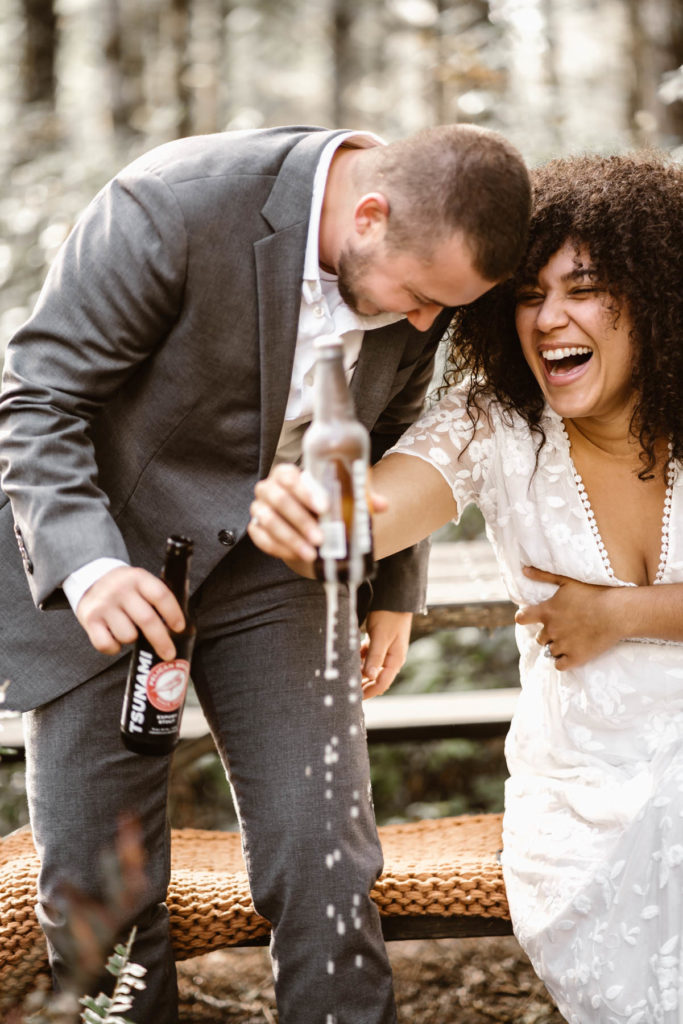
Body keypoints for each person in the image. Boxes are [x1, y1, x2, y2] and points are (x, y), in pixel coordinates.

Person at [0, 123, 531, 1022]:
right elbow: (37, 399)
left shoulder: (424, 272)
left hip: (282, 569)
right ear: (368, 215)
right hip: (114, 558)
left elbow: (391, 430)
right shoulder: (170, 204)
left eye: (443, 308)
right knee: (97, 886)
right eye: (416, 297)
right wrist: (89, 566)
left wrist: (393, 584)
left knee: (325, 855)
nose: (424, 324)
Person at [250, 151, 683, 1022]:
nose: (549, 318)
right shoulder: (491, 422)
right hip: (583, 792)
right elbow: (371, 514)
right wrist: (316, 523)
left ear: (657, 297)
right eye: (526, 295)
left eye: (584, 289)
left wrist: (622, 613)